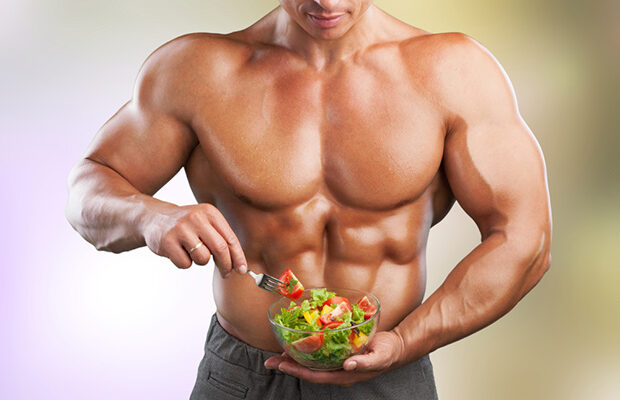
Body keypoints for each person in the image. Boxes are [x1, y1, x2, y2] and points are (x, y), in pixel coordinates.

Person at [65, 0, 552, 398]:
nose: (327, 2)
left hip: (387, 371)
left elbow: (524, 239)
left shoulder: (453, 71)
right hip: (243, 375)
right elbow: (90, 186)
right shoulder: (196, 69)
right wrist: (149, 215)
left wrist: (405, 342)